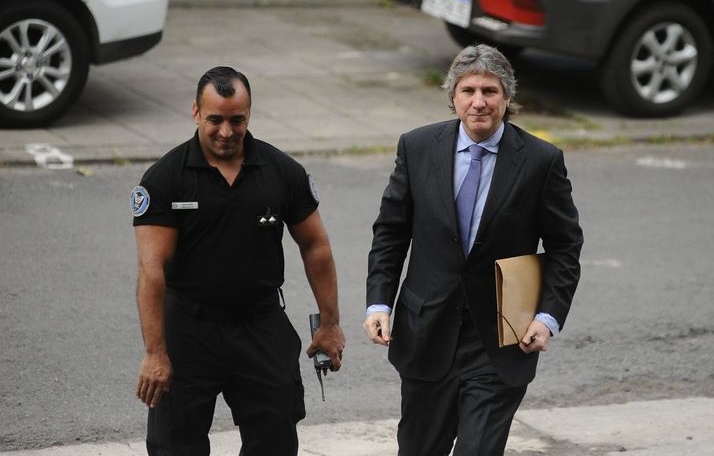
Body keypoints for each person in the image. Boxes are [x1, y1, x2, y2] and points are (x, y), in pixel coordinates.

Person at [363, 45, 583, 456]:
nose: (479, 102)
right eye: (468, 90)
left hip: (500, 339)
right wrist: (379, 302)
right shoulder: (417, 147)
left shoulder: (541, 161)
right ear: (454, 95)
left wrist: (547, 317)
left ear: (507, 97)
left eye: (490, 91)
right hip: (427, 332)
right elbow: (391, 232)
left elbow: (565, 246)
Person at [131, 66, 345, 456]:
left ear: (249, 114)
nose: (226, 132)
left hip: (259, 324)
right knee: (174, 445)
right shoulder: (165, 179)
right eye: (215, 119)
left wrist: (330, 324)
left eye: (237, 120)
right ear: (196, 111)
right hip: (189, 330)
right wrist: (155, 352)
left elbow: (316, 245)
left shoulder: (282, 172)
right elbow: (151, 270)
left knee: (275, 440)